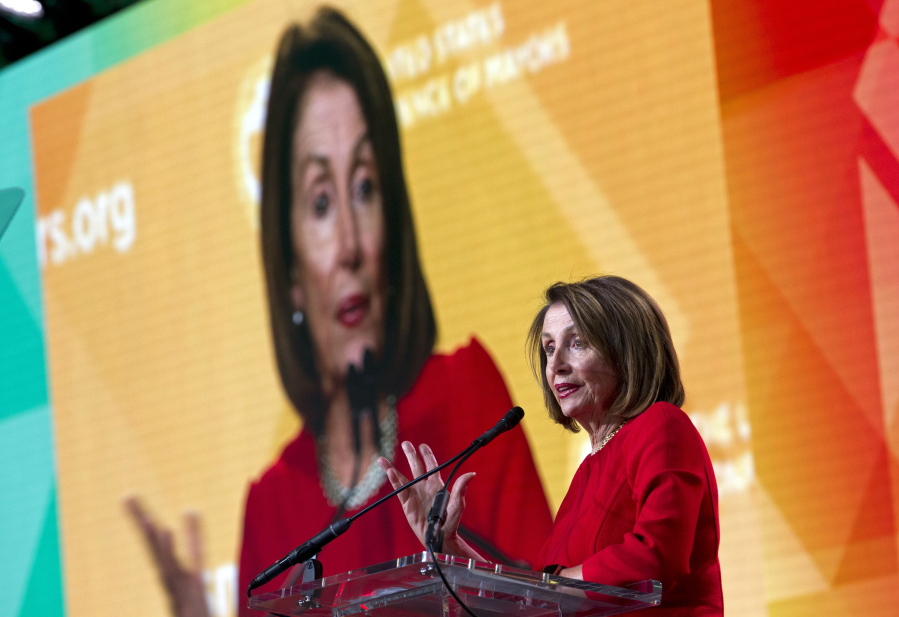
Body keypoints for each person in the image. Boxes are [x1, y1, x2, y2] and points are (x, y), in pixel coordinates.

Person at [126, 8, 552, 617]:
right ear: (290, 267)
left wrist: (461, 567)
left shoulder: (467, 399)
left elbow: (548, 601)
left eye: (365, 187)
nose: (350, 244)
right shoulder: (273, 504)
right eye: (321, 202)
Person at [379, 276, 724, 616]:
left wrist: (552, 587)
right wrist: (448, 543)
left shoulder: (661, 424)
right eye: (549, 348)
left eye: (576, 343)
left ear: (625, 352)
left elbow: (657, 553)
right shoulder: (586, 475)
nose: (555, 365)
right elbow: (531, 599)